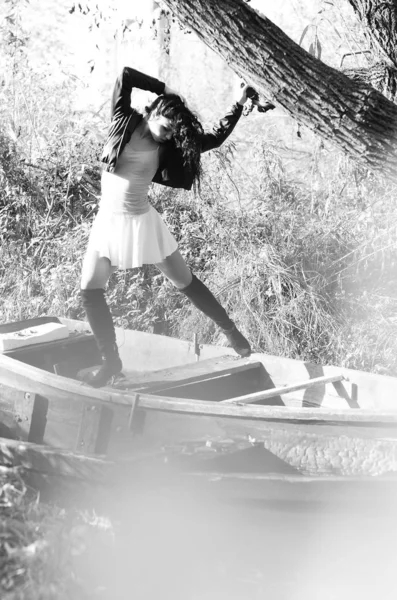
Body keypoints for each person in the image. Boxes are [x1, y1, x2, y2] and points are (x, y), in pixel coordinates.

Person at [80, 66, 268, 387]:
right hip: (108, 222)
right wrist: (163, 88)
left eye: (172, 133)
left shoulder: (170, 146)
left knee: (184, 281)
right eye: (165, 127)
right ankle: (111, 361)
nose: (167, 135)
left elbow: (216, 137)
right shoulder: (123, 119)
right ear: (152, 111)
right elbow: (125, 76)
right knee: (90, 291)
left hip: (142, 221)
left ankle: (231, 332)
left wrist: (238, 104)